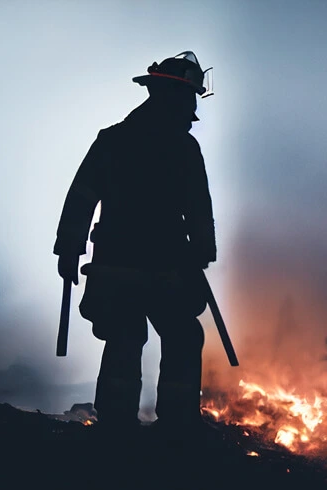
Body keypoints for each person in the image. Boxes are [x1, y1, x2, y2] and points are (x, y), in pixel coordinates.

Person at [54, 51, 217, 435]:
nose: (191, 109)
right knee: (181, 335)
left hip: (118, 263)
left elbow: (81, 198)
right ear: (171, 97)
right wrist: (201, 254)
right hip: (166, 267)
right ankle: (177, 427)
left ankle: (116, 426)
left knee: (125, 337)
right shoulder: (184, 149)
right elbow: (198, 210)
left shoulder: (113, 140)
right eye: (188, 98)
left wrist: (69, 248)